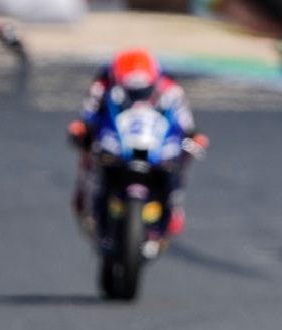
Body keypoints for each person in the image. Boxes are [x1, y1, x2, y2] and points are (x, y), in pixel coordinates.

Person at [67, 48, 207, 240]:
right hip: (114, 138)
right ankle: (84, 195)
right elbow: (89, 112)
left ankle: (174, 203)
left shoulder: (170, 87)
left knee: (184, 153)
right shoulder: (103, 83)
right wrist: (82, 126)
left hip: (156, 141)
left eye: (143, 89)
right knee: (88, 149)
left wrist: (193, 135)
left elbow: (184, 117)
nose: (138, 94)